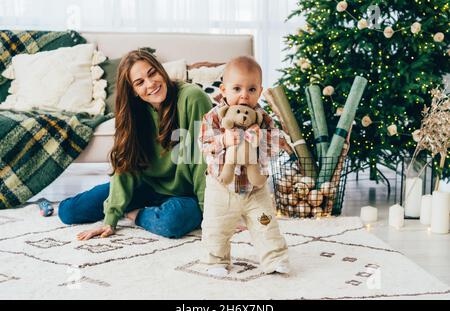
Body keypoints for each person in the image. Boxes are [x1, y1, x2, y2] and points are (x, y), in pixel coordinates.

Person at [58, 49, 211, 240]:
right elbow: (125, 162)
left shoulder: (193, 98)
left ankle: (134, 213)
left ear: (160, 69)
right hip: (144, 187)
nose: (151, 84)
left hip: (185, 194)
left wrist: (211, 215)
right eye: (140, 82)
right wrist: (110, 218)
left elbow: (203, 161)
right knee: (69, 212)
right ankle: (125, 204)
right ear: (134, 91)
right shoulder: (133, 111)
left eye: (152, 73)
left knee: (172, 222)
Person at [199, 56, 290, 276]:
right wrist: (223, 140)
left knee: (266, 225)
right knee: (215, 228)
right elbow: (203, 144)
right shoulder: (213, 117)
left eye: (251, 89)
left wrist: (262, 139)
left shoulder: (263, 119)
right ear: (224, 90)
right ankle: (216, 261)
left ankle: (274, 259)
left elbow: (279, 143)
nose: (244, 95)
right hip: (222, 186)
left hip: (255, 189)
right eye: (237, 88)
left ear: (259, 91)